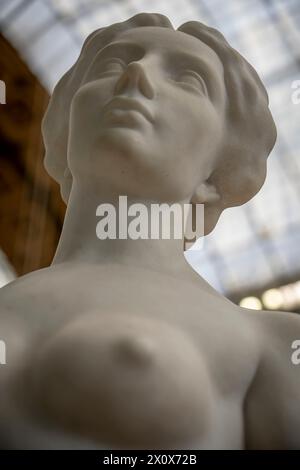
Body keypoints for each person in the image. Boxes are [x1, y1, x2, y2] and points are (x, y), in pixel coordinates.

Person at [0, 12, 299, 449]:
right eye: (111, 66)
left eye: (190, 80)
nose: (137, 73)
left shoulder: (272, 346)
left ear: (215, 175)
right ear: (64, 136)